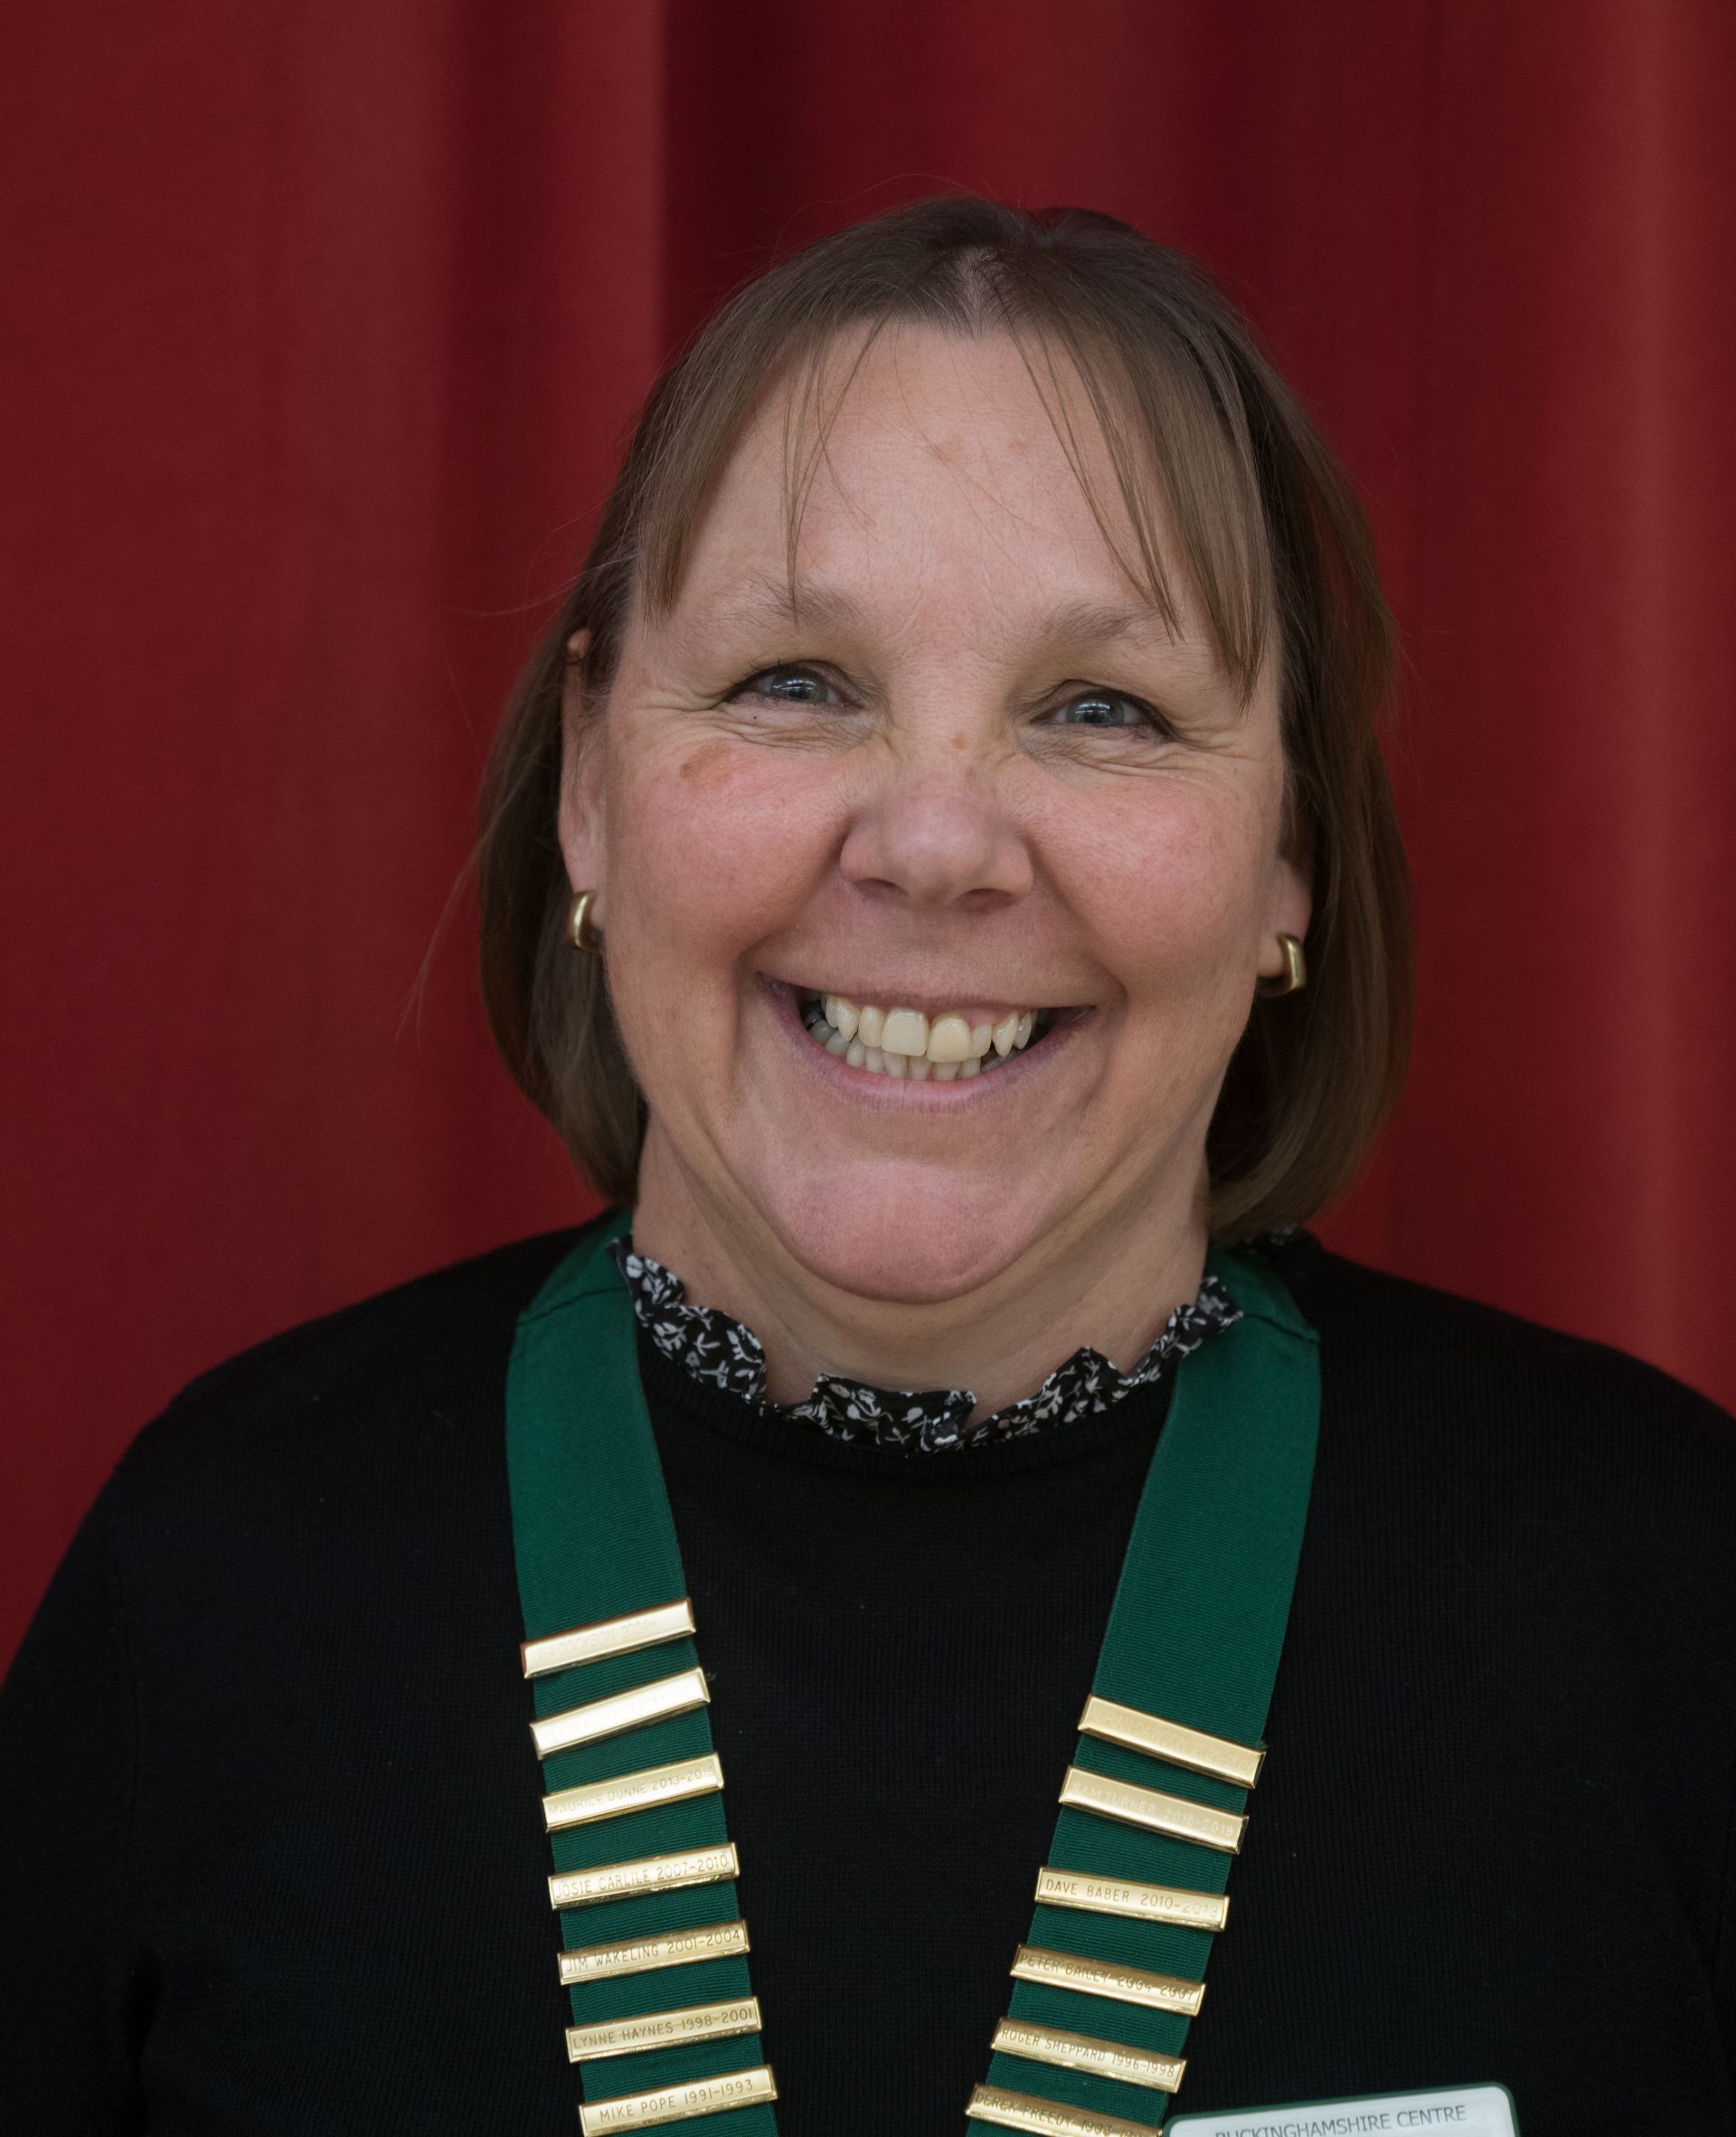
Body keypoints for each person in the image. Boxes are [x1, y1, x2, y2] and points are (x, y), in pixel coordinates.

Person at [2, 195, 1731, 2137]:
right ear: (590, 783)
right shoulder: (226, 1582)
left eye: (1103, 710)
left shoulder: (1665, 1600)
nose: (932, 844)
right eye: (796, 682)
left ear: (1288, 861)